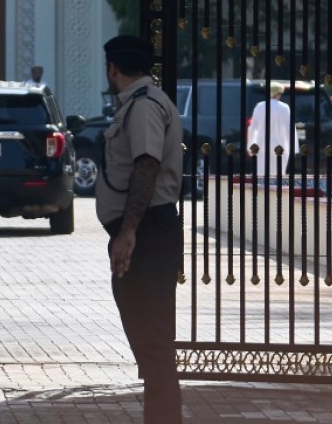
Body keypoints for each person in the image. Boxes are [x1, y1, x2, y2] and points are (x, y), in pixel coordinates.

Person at [95, 34, 184, 424]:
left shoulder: (144, 106)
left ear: (112, 68)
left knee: (153, 340)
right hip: (147, 232)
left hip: (148, 233)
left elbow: (146, 166)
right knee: (150, 341)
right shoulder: (139, 103)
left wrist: (128, 232)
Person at [248, 80, 292, 177]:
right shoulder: (285, 108)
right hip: (280, 145)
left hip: (262, 145)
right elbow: (289, 129)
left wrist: (250, 145)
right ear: (278, 94)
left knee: (261, 174)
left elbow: (252, 128)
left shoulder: (259, 107)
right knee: (278, 174)